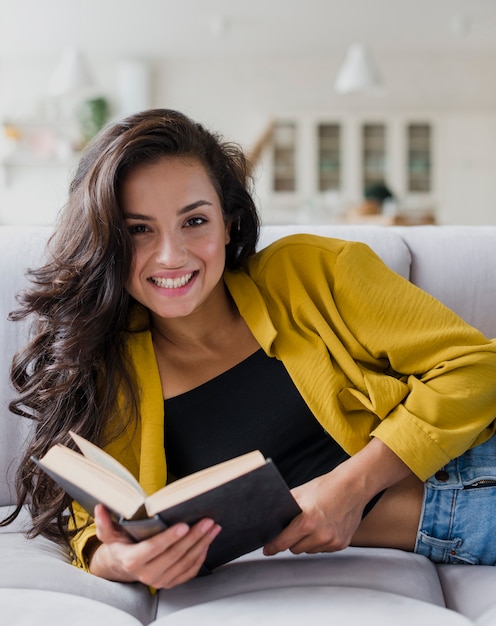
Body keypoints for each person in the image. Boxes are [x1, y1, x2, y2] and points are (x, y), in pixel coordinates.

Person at [3, 109, 496, 591]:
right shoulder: (108, 368)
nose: (171, 255)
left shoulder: (308, 272)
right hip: (461, 535)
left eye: (194, 221)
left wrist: (351, 487)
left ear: (229, 224)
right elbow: (93, 521)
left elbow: (479, 368)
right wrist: (121, 561)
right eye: (138, 229)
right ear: (107, 238)